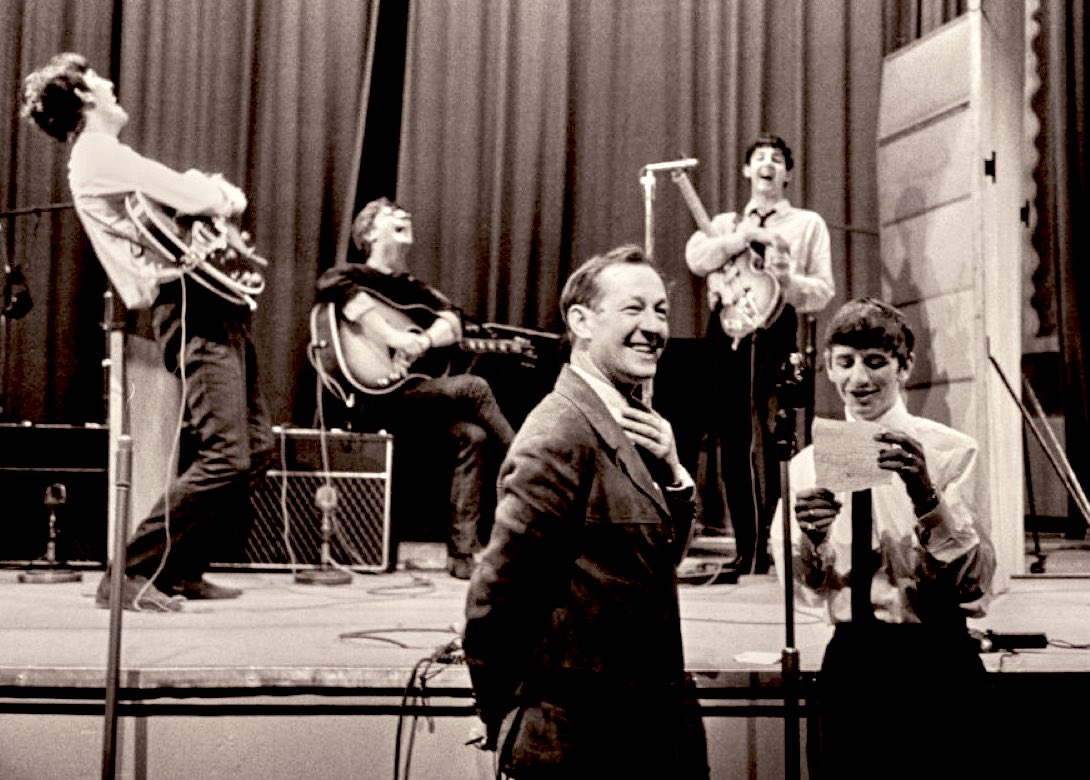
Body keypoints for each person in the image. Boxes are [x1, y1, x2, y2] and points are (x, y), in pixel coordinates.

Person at [21, 53, 273, 611]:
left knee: (255, 447)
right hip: (191, 306)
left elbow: (179, 201)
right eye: (98, 80)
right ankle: (128, 572)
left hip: (209, 301)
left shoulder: (112, 156)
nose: (111, 84)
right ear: (84, 97)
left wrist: (201, 192)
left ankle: (178, 568)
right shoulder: (99, 155)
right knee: (228, 455)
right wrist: (217, 193)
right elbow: (203, 197)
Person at [463, 245, 709, 778]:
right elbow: (496, 600)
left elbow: (650, 564)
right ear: (581, 321)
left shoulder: (629, 422)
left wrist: (673, 474)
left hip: (651, 738)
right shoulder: (558, 434)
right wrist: (510, 717)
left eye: (661, 311)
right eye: (633, 308)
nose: (653, 327)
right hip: (585, 749)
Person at [770, 298, 996, 777]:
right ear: (828, 367)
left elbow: (974, 585)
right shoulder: (807, 467)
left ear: (904, 366)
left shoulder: (953, 452)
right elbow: (805, 592)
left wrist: (927, 498)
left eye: (875, 362)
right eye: (845, 362)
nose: (859, 379)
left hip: (939, 661)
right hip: (853, 664)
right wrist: (812, 539)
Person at [314, 198, 515, 580]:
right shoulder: (349, 275)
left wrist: (421, 341)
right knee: (474, 388)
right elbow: (331, 285)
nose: (404, 216)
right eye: (392, 215)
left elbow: (453, 320)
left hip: (408, 399)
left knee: (472, 435)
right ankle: (528, 461)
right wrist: (392, 337)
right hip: (371, 399)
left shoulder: (413, 288)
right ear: (369, 232)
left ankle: (461, 553)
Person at [685, 132, 834, 574]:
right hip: (726, 333)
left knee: (769, 437)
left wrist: (787, 280)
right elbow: (697, 257)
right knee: (732, 437)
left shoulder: (807, 224)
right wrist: (743, 237)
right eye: (760, 158)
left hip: (774, 331)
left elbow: (822, 290)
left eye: (777, 159)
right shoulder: (726, 223)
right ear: (747, 170)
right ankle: (745, 548)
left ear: (787, 174)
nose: (768, 164)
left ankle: (770, 543)